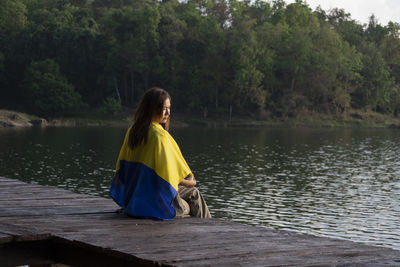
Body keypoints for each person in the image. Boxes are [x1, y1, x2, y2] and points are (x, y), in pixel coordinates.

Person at [110, 87, 211, 220]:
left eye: (169, 108)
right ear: (151, 108)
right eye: (164, 109)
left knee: (193, 193)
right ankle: (209, 229)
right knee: (192, 200)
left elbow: (125, 170)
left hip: (135, 196)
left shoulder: (133, 130)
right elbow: (168, 175)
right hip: (152, 202)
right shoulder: (159, 136)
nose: (168, 113)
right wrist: (189, 182)